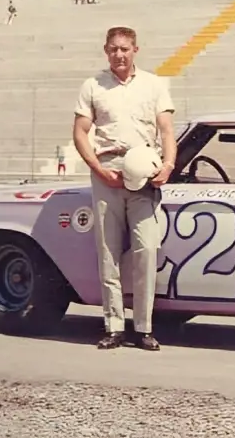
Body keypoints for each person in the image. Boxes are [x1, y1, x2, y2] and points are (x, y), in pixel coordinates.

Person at [72, 26, 177, 351]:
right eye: (114, 49)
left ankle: (144, 327)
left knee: (147, 249)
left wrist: (168, 166)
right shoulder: (93, 85)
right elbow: (80, 132)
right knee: (108, 251)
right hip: (108, 169)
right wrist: (98, 169)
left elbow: (166, 130)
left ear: (135, 50)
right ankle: (114, 325)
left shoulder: (154, 84)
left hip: (143, 169)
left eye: (125, 49)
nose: (119, 55)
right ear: (106, 50)